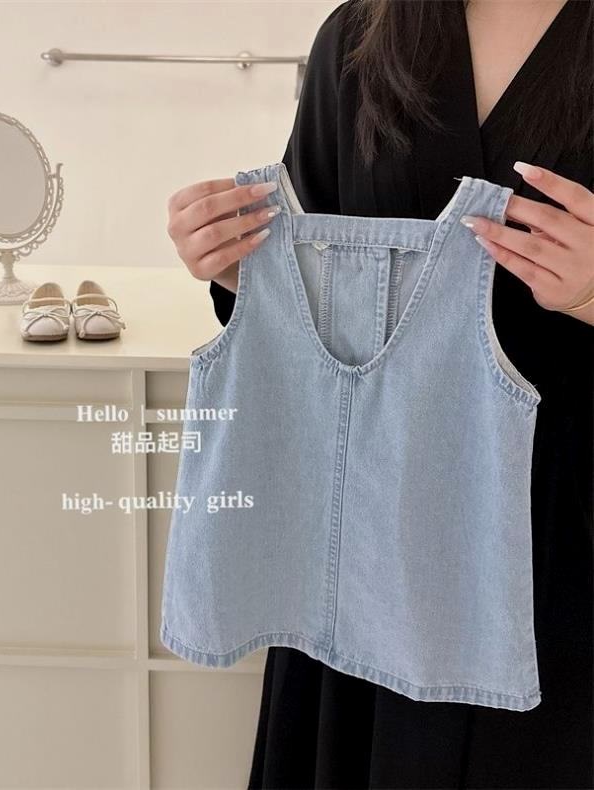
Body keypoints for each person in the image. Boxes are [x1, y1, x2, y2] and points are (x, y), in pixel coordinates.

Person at [164, 0, 594, 787]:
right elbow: (303, 285)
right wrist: (235, 268)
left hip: (559, 546)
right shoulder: (361, 39)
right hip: (370, 538)